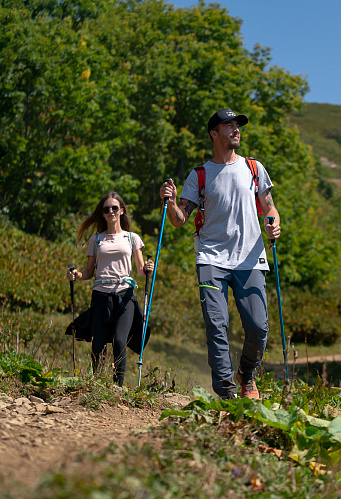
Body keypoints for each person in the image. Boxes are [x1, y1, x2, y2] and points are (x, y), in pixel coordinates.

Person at [159, 108, 281, 400]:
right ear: (214, 133)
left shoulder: (254, 168)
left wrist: (273, 225)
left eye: (237, 125)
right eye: (228, 125)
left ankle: (246, 373)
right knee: (217, 324)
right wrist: (172, 202)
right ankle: (227, 393)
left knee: (258, 327)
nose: (236, 129)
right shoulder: (200, 174)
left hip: (250, 259)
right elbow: (179, 220)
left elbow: (270, 208)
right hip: (211, 258)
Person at [66, 191, 154, 388]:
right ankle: (96, 385)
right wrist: (77, 275)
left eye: (115, 208)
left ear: (121, 211)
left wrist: (148, 268)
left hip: (125, 295)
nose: (111, 211)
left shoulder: (132, 238)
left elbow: (140, 270)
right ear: (103, 213)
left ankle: (118, 387)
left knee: (120, 341)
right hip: (101, 295)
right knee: (98, 344)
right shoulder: (96, 239)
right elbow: (89, 271)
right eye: (107, 209)